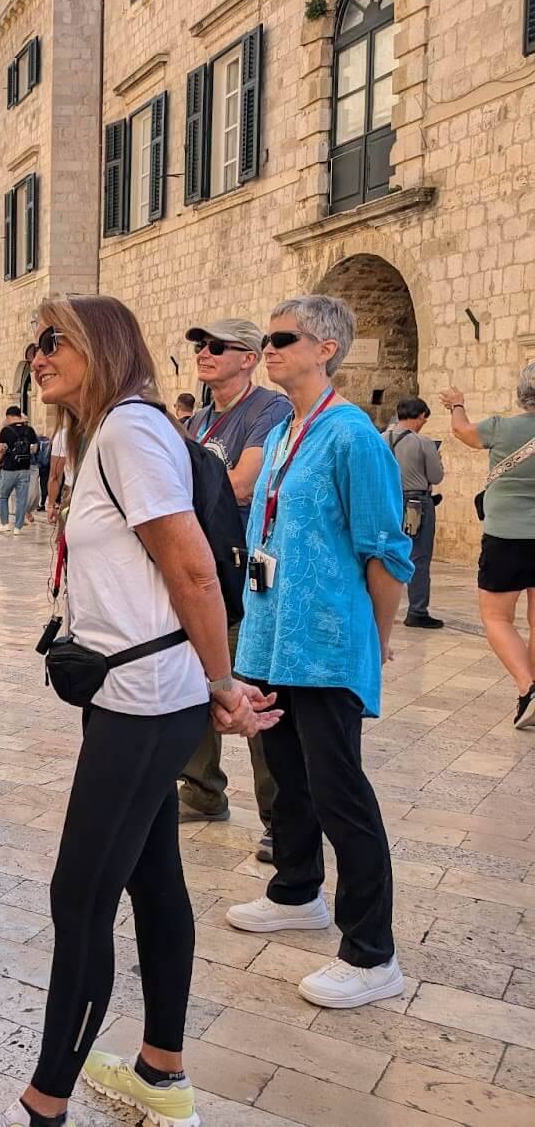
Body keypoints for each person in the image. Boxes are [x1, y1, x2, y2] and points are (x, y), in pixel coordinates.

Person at [0, 296, 279, 1127]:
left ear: (102, 345)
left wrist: (224, 684)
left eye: (55, 340)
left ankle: (44, 1103)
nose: (38, 355)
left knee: (78, 898)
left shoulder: (129, 432)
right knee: (153, 879)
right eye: (33, 343)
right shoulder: (107, 433)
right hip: (140, 693)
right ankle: (161, 1069)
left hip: (149, 703)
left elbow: (188, 566)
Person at [224, 295, 413, 1010]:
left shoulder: (352, 435)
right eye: (267, 337)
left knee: (341, 792)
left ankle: (372, 953)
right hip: (276, 637)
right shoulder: (282, 434)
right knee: (289, 777)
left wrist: (377, 638)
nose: (269, 349)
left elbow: (387, 552)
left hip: (328, 643)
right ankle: (297, 889)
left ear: (326, 347)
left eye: (283, 338)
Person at [175, 318, 293, 864]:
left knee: (248, 685)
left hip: (243, 571)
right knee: (197, 675)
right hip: (202, 566)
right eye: (202, 345)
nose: (205, 353)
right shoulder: (198, 420)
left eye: (218, 347)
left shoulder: (267, 411)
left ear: (249, 357)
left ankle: (279, 815)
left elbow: (242, 482)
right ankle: (201, 790)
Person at [441, 365, 535, 728]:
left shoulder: (502, 428)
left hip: (506, 537)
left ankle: (528, 687)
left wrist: (457, 405)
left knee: (496, 617)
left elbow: (464, 432)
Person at [385, 397, 446, 630]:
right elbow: (436, 476)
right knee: (419, 556)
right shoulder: (423, 442)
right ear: (420, 416)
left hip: (387, 501)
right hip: (416, 503)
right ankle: (417, 610)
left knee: (383, 554)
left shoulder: (379, 439)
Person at [0, 406, 37, 535]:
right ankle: (18, 527)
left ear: (9, 417)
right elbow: (34, 449)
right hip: (24, 468)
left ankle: (4, 524)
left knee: (3, 496)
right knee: (21, 499)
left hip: (9, 469)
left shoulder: (5, 431)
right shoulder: (29, 430)